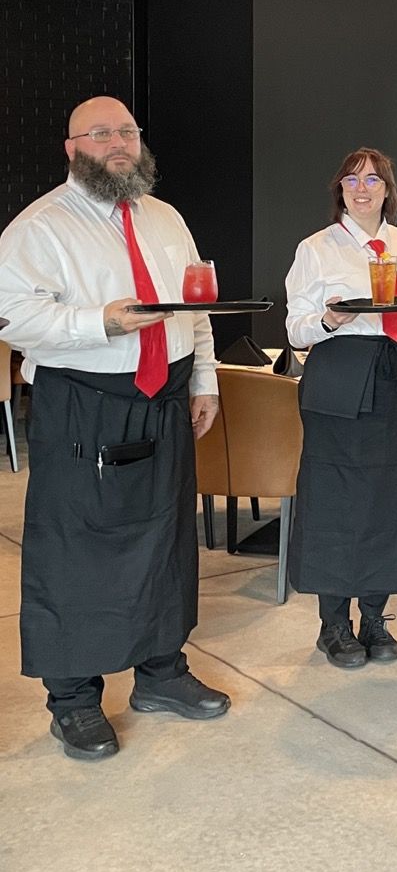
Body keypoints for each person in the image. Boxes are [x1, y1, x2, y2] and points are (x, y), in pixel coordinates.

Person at [0, 97, 228, 761]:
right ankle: (72, 699)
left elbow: (197, 304)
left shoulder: (165, 218)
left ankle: (161, 673)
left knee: (165, 537)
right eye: (100, 133)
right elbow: (11, 318)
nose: (118, 142)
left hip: (166, 398)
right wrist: (98, 321)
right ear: (71, 148)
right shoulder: (39, 227)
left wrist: (204, 379)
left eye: (126, 131)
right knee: (78, 551)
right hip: (86, 403)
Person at [284, 148, 397, 669]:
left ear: (388, 189)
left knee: (392, 496)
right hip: (342, 375)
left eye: (373, 179)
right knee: (336, 498)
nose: (362, 187)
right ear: (340, 190)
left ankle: (374, 616)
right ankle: (333, 624)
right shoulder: (316, 248)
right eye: (352, 179)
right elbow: (295, 328)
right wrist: (329, 321)